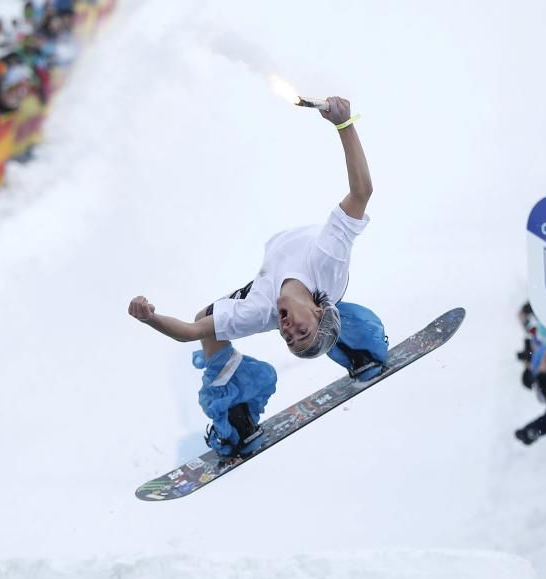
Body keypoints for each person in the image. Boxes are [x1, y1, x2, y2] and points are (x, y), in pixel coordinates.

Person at [128, 97, 378, 458]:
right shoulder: (328, 258)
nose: (287, 329)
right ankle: (360, 349)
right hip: (326, 288)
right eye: (299, 331)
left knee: (205, 320)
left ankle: (238, 416)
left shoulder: (262, 311)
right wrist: (344, 125)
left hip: (279, 282)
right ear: (318, 313)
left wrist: (150, 318)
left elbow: (188, 332)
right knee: (344, 323)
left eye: (288, 338)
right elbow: (362, 191)